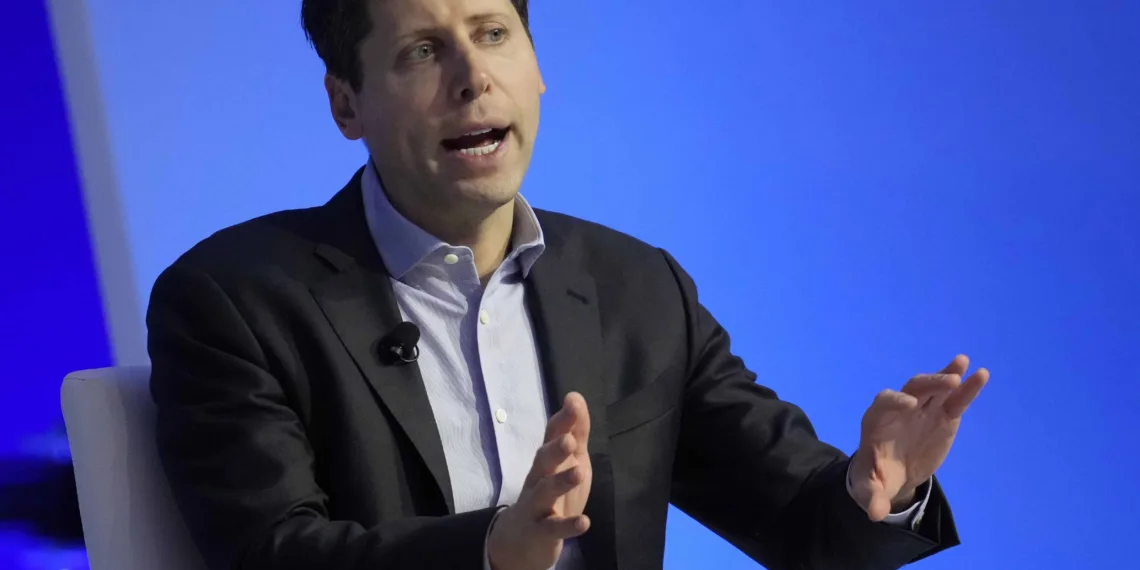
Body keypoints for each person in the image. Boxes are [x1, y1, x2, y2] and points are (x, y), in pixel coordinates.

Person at [146, 0, 989, 568]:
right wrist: (492, 551)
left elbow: (802, 528)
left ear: (537, 65)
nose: (473, 78)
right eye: (422, 52)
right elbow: (269, 553)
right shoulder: (235, 300)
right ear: (346, 105)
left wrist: (881, 489)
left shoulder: (637, 288)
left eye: (493, 34)